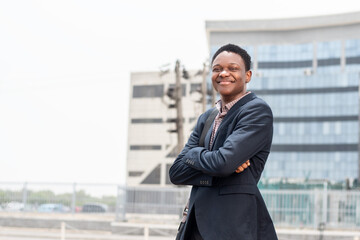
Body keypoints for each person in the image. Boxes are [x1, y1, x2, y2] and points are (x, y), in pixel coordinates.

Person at [169, 43, 278, 240]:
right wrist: (217, 167)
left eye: (232, 68)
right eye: (217, 69)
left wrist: (193, 154)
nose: (223, 73)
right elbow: (176, 172)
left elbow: (223, 163)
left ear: (248, 76)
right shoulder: (207, 117)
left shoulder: (256, 111)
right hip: (194, 227)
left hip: (231, 228)